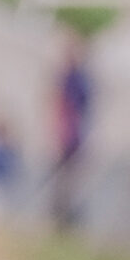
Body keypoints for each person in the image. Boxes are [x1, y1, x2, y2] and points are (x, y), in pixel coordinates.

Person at [46, 36, 92, 234]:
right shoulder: (67, 78)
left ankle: (65, 219)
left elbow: (80, 106)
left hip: (73, 138)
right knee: (61, 180)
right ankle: (59, 217)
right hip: (67, 137)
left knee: (70, 181)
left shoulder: (78, 79)